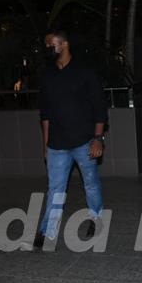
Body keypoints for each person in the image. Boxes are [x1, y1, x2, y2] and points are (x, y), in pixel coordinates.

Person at [24, 29, 108, 250]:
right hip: (57, 145)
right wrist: (45, 146)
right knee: (55, 189)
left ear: (65, 44)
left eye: (51, 44)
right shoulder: (48, 76)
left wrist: (98, 138)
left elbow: (100, 108)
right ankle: (47, 232)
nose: (47, 49)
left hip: (84, 141)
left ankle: (96, 219)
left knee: (91, 185)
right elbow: (45, 115)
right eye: (46, 45)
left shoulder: (85, 73)